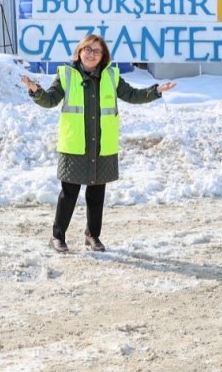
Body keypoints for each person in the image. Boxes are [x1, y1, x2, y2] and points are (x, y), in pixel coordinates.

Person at [22, 33, 176, 253]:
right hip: (75, 145)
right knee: (69, 193)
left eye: (96, 50)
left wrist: (155, 91)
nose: (91, 54)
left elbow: (132, 95)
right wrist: (36, 91)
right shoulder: (66, 74)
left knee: (96, 194)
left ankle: (92, 235)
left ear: (103, 55)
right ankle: (57, 237)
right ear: (79, 51)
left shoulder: (111, 75)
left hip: (102, 144)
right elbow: (50, 100)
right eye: (87, 49)